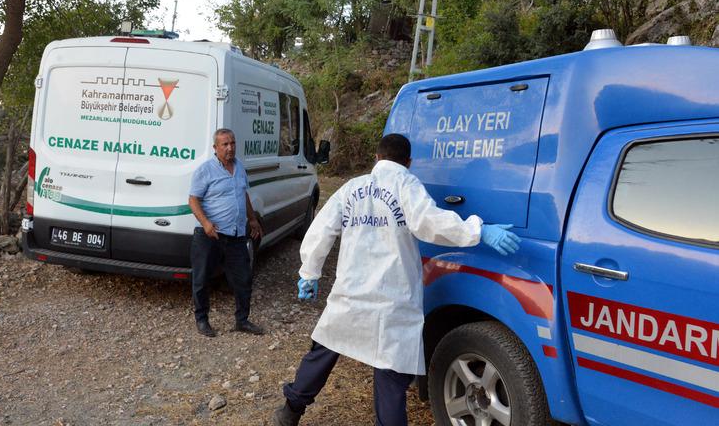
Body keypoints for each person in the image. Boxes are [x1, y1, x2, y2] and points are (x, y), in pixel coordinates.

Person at [272, 133, 521, 426]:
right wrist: (478, 230)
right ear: (409, 162)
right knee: (390, 378)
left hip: (351, 292)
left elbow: (322, 228)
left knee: (324, 350)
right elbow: (429, 223)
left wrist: (309, 272)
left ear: (377, 158)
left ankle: (289, 411)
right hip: (392, 299)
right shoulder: (406, 184)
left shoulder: (353, 187)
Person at [188, 128, 265, 337]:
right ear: (215, 148)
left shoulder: (239, 167)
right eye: (225, 144)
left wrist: (252, 219)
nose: (230, 148)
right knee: (202, 279)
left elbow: (243, 194)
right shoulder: (205, 170)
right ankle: (202, 320)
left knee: (243, 279)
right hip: (210, 236)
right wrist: (205, 223)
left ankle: (242, 320)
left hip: (237, 236)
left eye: (232, 143)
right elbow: (193, 200)